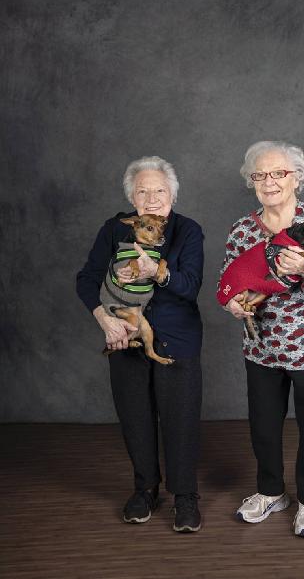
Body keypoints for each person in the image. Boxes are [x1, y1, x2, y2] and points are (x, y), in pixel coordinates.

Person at [219, 141, 304, 537]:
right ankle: (271, 492)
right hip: (262, 349)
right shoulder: (243, 229)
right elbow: (230, 283)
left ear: (297, 178)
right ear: (251, 182)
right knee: (263, 426)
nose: (269, 182)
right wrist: (234, 306)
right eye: (260, 175)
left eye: (279, 173)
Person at [76, 156, 204, 532]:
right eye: (143, 191)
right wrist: (105, 320)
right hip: (125, 335)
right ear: (132, 197)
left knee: (180, 420)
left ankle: (185, 496)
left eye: (159, 191)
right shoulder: (114, 229)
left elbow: (191, 286)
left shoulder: (188, 231)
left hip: (177, 337)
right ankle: (145, 489)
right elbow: (87, 279)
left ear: (173, 196)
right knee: (135, 416)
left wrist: (157, 274)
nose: (151, 198)